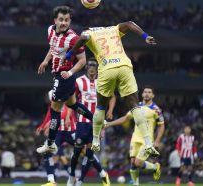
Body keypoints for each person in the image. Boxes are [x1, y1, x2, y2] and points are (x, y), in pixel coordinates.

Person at [66, 21, 159, 159]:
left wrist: (69, 54)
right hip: (124, 66)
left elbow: (84, 38)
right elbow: (130, 23)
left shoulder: (89, 32)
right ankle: (148, 143)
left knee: (101, 107)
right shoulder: (112, 29)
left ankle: (96, 140)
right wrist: (145, 36)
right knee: (134, 106)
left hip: (107, 68)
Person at [37, 6, 94, 155]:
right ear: (55, 20)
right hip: (58, 74)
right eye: (61, 19)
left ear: (70, 21)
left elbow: (82, 61)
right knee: (73, 104)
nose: (63, 23)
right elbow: (52, 47)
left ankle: (50, 143)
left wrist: (70, 72)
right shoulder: (50, 30)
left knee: (54, 108)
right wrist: (45, 61)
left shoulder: (74, 38)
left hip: (64, 76)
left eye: (67, 20)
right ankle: (97, 120)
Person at [68, 57, 116, 186]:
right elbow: (71, 100)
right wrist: (70, 116)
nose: (92, 68)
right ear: (86, 67)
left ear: (97, 68)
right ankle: (72, 175)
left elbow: (112, 96)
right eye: (90, 66)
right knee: (77, 151)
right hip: (82, 121)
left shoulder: (103, 82)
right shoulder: (79, 81)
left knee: (90, 153)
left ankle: (80, 181)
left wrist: (110, 111)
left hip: (97, 123)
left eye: (94, 66)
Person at [105, 86, 165, 184]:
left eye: (149, 92)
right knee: (133, 163)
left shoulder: (156, 110)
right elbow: (125, 119)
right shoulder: (136, 107)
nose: (147, 94)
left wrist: (157, 140)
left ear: (153, 95)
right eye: (145, 92)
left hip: (147, 140)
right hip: (135, 138)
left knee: (138, 163)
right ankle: (136, 184)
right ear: (142, 94)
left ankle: (155, 167)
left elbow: (161, 126)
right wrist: (109, 124)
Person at [36, 91, 76, 186]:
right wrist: (42, 127)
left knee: (85, 150)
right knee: (51, 154)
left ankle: (101, 173)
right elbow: (49, 117)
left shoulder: (68, 104)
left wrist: (46, 126)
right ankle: (52, 181)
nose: (51, 102)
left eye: (52, 100)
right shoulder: (52, 107)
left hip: (70, 131)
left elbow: (59, 117)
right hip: (58, 133)